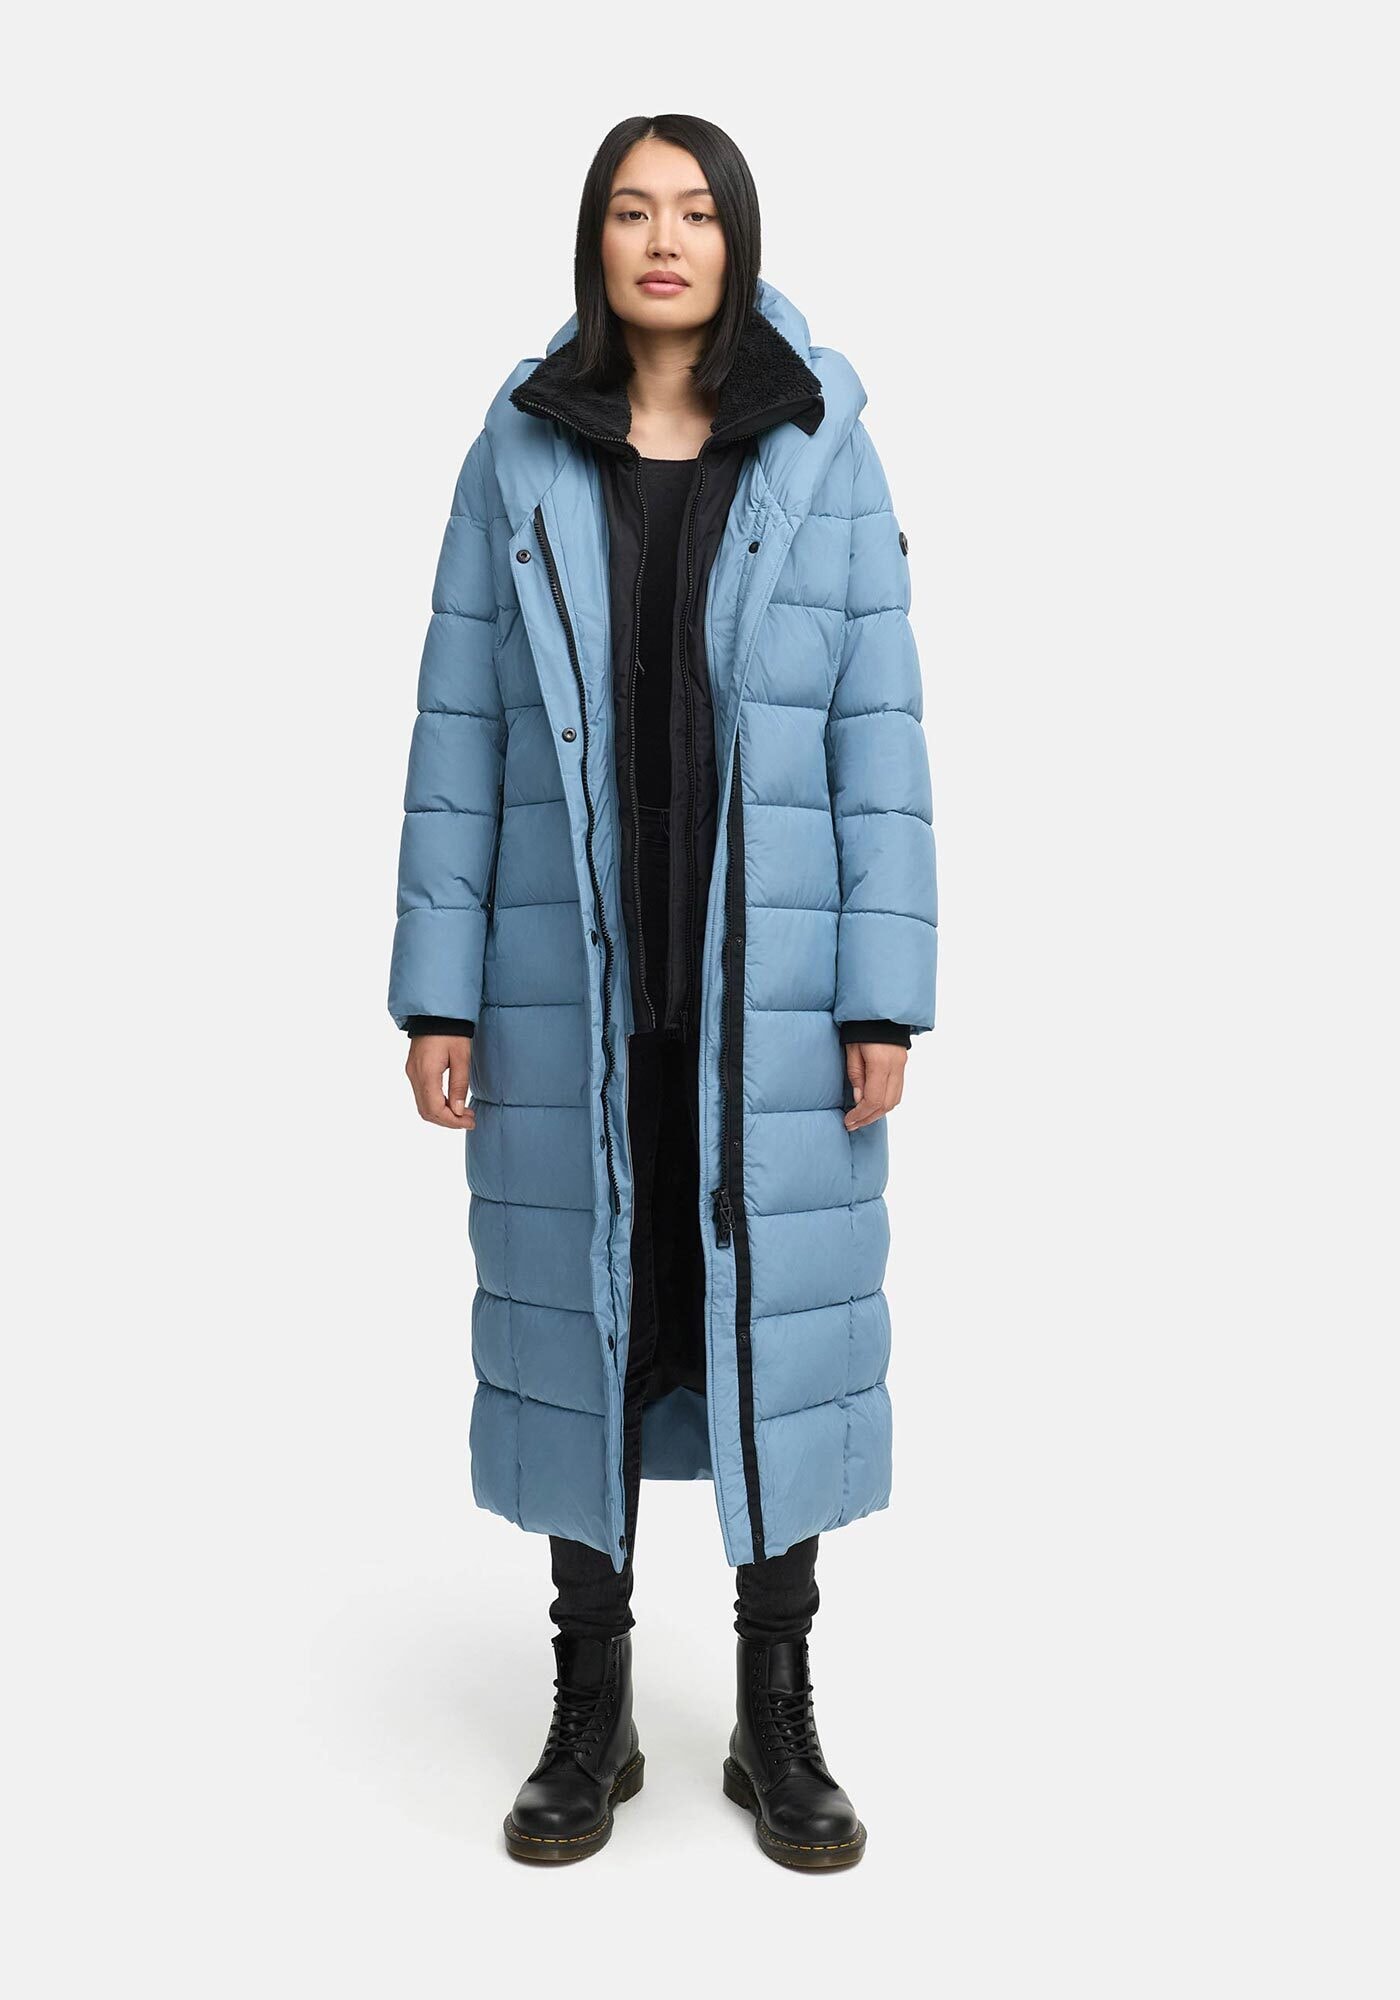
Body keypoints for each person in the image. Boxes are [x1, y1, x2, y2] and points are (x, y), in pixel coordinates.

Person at [389, 113, 937, 1870]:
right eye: (631, 210)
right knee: (585, 1330)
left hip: (773, 993)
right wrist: (439, 997)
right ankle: (591, 1710)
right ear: (596, 241)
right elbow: (459, 730)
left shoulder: (821, 443)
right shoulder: (521, 446)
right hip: (568, 988)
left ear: (738, 237)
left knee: (775, 1329)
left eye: (694, 210)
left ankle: (778, 1715)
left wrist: (881, 1001)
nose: (664, 238)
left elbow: (878, 736)